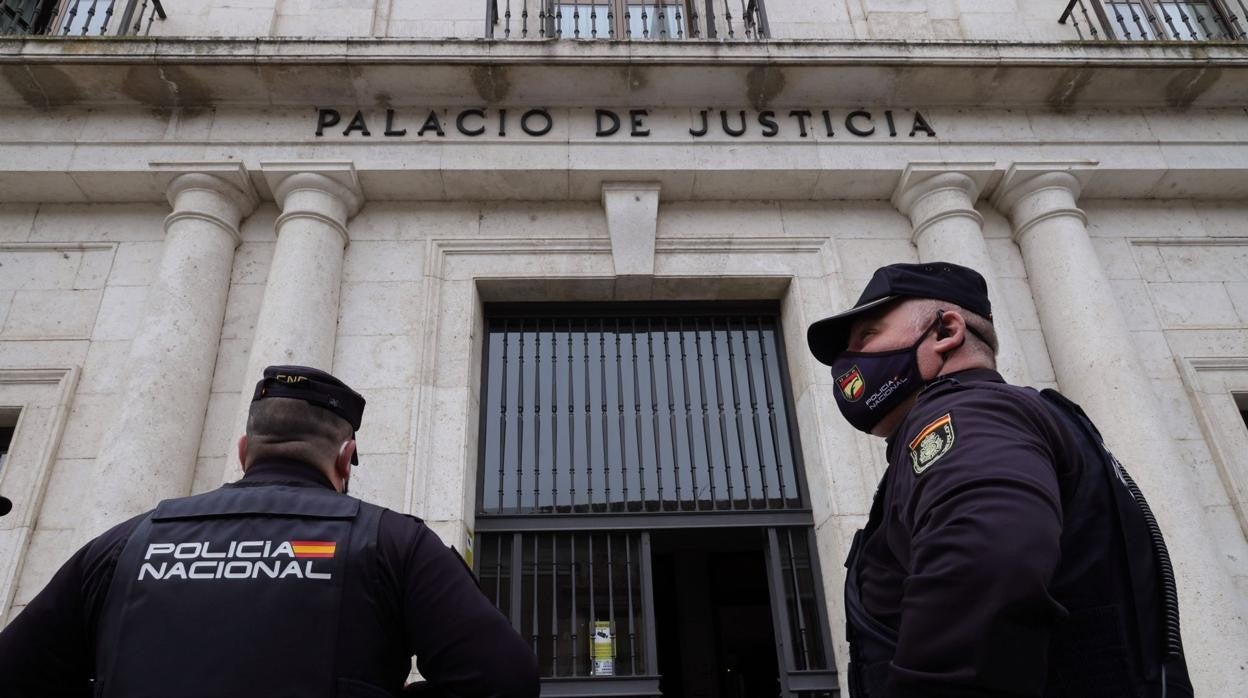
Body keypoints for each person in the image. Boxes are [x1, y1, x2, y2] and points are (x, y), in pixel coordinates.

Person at [0, 365, 540, 698]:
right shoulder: (394, 542)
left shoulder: (123, 544)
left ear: (243, 450)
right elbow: (503, 680)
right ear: (345, 457)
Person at [806, 263, 1192, 698]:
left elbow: (989, 555)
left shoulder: (968, 416)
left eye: (868, 337)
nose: (848, 365)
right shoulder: (1005, 417)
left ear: (945, 332)